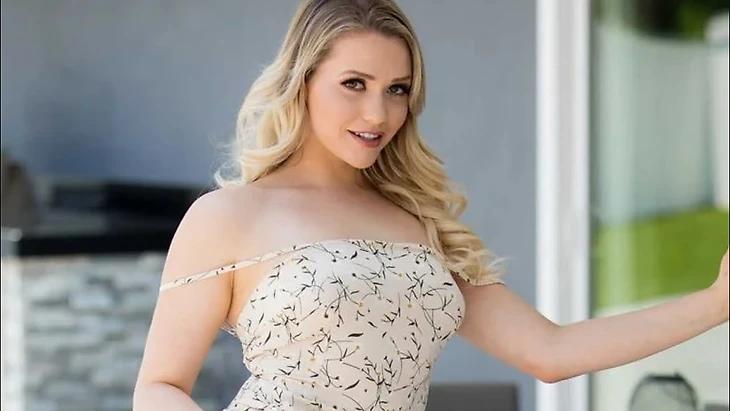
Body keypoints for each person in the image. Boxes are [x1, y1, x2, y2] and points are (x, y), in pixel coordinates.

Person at [132, 0, 730, 410]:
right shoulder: (228, 217)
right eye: (354, 84)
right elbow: (158, 387)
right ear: (303, 80)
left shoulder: (416, 223)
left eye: (397, 90)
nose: (378, 113)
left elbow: (551, 352)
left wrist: (715, 303)